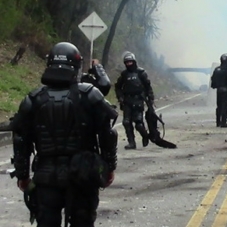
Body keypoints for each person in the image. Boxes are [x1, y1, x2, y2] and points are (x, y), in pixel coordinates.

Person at [11, 42, 117, 226]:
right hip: (83, 175)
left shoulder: (33, 99)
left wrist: (22, 175)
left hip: (46, 176)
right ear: (76, 66)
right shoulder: (90, 95)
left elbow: (21, 140)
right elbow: (108, 134)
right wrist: (109, 167)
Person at [114, 52, 154, 149]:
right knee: (126, 122)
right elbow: (117, 87)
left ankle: (145, 135)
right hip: (127, 101)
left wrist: (150, 98)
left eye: (130, 62)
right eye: (127, 62)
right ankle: (131, 142)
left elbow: (148, 86)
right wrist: (120, 97)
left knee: (139, 124)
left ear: (134, 61)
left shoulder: (141, 73)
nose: (129, 64)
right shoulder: (124, 74)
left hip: (138, 101)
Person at [211, 54, 227, 128]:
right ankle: (223, 122)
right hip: (225, 91)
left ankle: (218, 122)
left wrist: (215, 86)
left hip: (219, 90)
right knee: (225, 106)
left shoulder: (216, 69)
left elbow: (213, 81)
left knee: (219, 106)